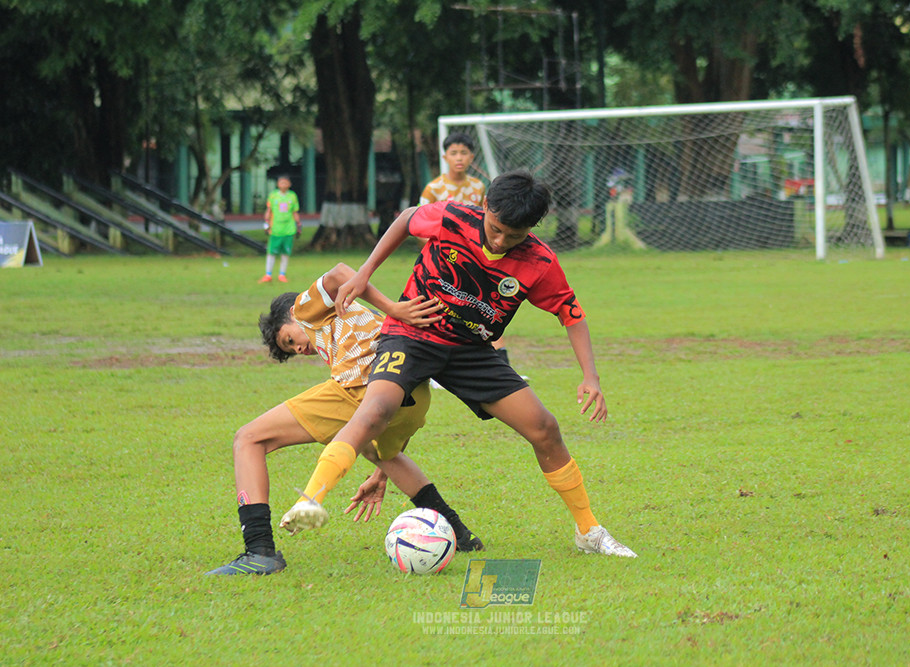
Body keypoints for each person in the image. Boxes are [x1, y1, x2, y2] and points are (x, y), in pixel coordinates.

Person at [280, 169, 636, 558]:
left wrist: (591, 377)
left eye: (513, 237)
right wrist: (366, 271)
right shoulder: (452, 216)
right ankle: (310, 499)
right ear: (485, 206)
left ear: (532, 229)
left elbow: (571, 313)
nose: (500, 242)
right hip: (412, 332)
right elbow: (405, 219)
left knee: (545, 428)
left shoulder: (538, 262)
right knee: (376, 410)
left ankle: (588, 531)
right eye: (496, 228)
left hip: (469, 350)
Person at [207, 264, 483, 576]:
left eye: (289, 339)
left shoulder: (305, 307)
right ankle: (457, 532)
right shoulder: (350, 321)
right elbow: (395, 419)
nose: (298, 348)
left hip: (361, 386)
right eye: (292, 351)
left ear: (292, 316)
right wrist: (381, 473)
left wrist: (393, 307)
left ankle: (258, 551)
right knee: (377, 452)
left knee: (248, 438)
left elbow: (339, 273)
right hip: (413, 394)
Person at [419, 132, 516, 370]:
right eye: (454, 153)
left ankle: (502, 365)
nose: (459, 158)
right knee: (438, 308)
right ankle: (431, 365)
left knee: (486, 310)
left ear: (472, 156)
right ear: (445, 156)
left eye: (464, 153)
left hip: (474, 261)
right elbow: (420, 226)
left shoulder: (478, 187)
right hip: (442, 261)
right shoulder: (434, 189)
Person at [258, 176, 301, 284]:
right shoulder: (273, 195)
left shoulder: (292, 196)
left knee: (285, 252)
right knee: (271, 252)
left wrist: (298, 224)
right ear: (278, 184)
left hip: (289, 229)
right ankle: (268, 274)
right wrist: (267, 222)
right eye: (281, 182)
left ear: (289, 184)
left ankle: (282, 274)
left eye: (285, 183)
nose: (283, 185)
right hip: (275, 229)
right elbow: (269, 210)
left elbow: (295, 211)